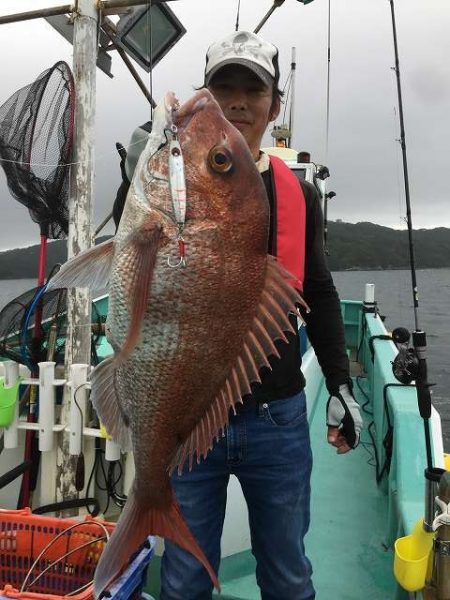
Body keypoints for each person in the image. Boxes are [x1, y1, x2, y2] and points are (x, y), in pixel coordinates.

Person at [113, 30, 363, 600]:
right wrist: (139, 168)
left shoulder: (300, 193)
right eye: (224, 86)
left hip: (276, 418)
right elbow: (133, 246)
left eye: (255, 89)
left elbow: (318, 291)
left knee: (289, 574)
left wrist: (342, 385)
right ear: (207, 92)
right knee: (182, 581)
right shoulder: (169, 180)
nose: (239, 101)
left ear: (276, 105)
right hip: (187, 422)